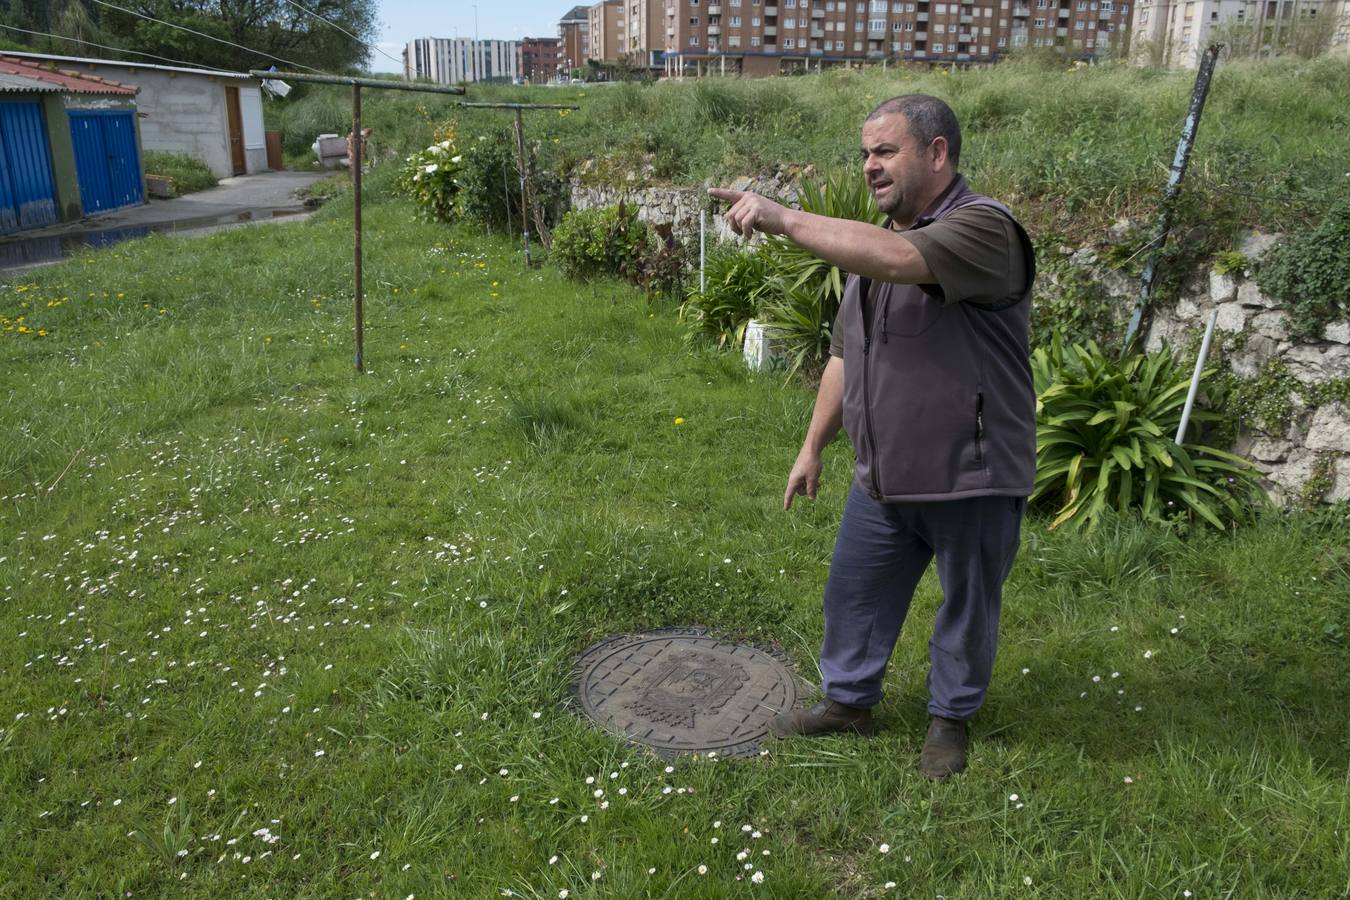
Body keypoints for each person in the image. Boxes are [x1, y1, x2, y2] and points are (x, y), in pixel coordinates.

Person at [709, 94, 1036, 779]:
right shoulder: (874, 245)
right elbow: (844, 355)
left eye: (885, 151)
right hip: (884, 474)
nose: (869, 166)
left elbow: (898, 258)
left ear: (938, 153)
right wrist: (812, 446)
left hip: (969, 474)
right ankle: (849, 705)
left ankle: (949, 721)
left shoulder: (984, 231)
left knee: (967, 609)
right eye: (864, 153)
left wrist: (782, 216)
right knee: (853, 594)